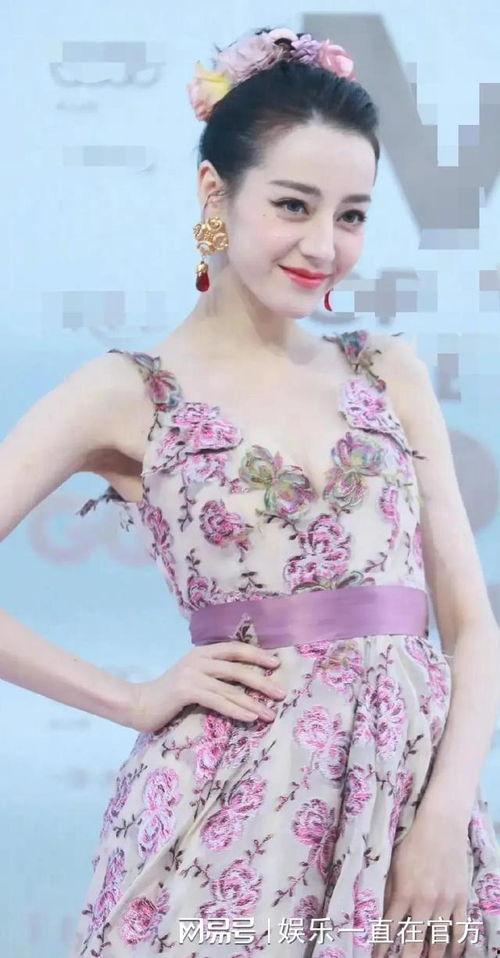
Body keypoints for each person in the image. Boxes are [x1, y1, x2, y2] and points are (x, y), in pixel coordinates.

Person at [1, 24, 500, 958]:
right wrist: (131, 698)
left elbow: (471, 626)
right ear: (214, 193)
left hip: (409, 819)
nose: (324, 245)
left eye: (352, 215)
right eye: (293, 205)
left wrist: (444, 820)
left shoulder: (386, 371)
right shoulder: (130, 390)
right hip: (226, 824)